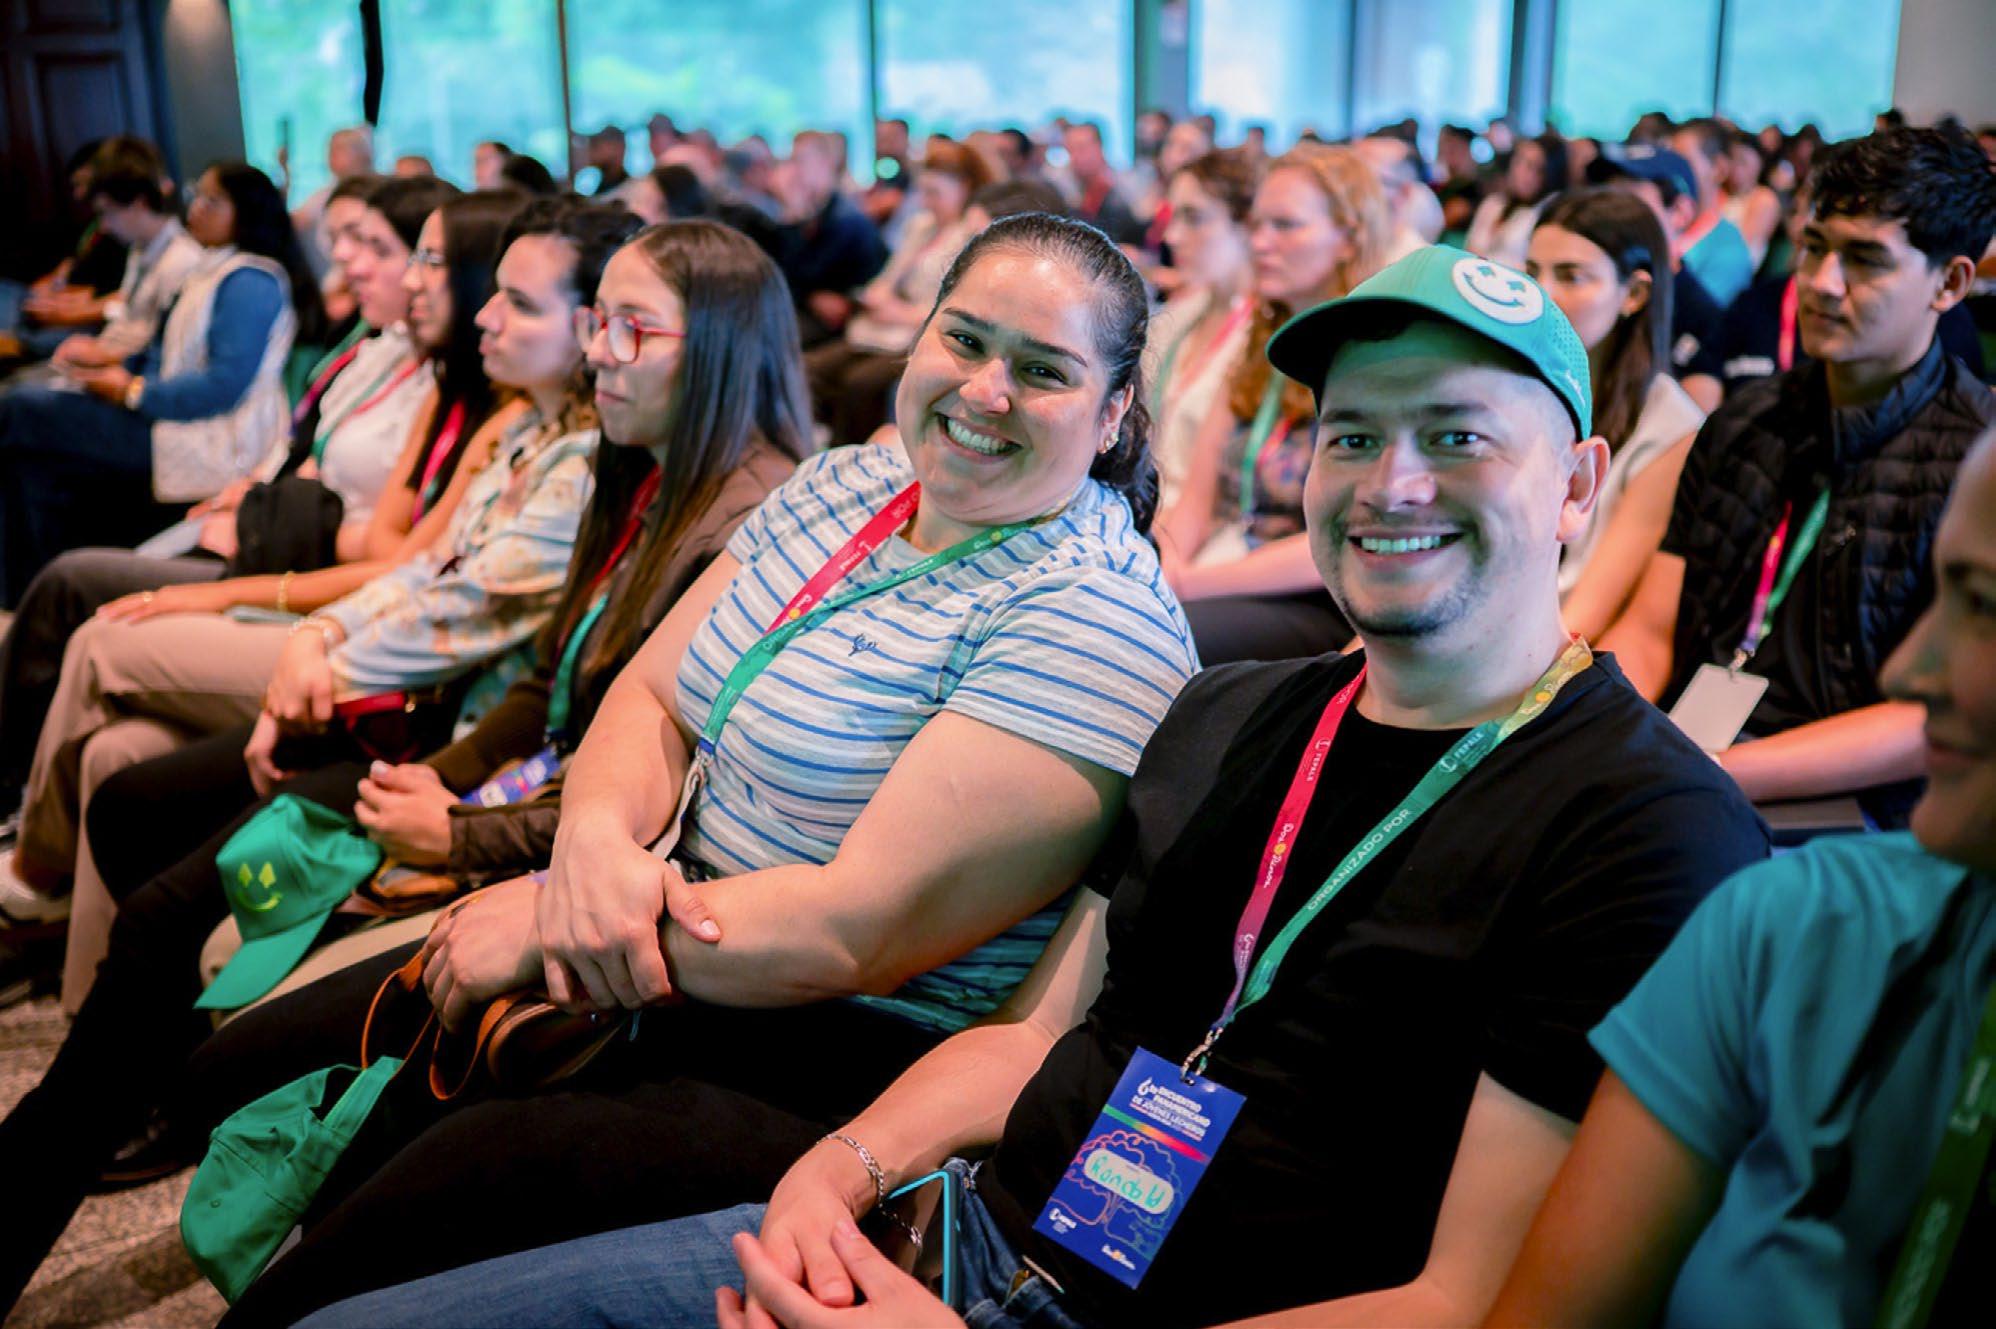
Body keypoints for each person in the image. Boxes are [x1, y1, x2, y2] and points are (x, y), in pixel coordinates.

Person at [295, 242, 1771, 1329]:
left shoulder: (1645, 828)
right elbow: (1042, 1038)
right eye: (1353, 435)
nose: (1391, 483)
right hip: (961, 1239)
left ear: (1578, 487)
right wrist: (841, 1170)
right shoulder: (1237, 714)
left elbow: (1489, 1307)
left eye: (1456, 438)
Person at [180, 213, 1198, 1327]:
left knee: (356, 1261)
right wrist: (590, 851)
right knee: (242, 1076)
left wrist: (564, 923)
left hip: (821, 1043)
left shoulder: (1091, 616)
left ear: (1112, 413)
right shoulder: (850, 483)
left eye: (1043, 371)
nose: (986, 389)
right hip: (654, 923)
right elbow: (652, 694)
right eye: (965, 340)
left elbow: (854, 931)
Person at [0, 198, 629, 1311]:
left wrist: (320, 654)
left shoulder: (581, 459)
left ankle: (64, 1102)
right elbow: (421, 574)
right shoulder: (525, 427)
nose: (483, 315)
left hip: (432, 745)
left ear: (592, 329)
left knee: (139, 809)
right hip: (407, 714)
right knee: (131, 786)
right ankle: (110, 1061)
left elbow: (470, 621)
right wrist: (318, 638)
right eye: (488, 291)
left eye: (516, 301)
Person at [1486, 424, 1996, 1329]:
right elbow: (1649, 630)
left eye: (1983, 603)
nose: (1909, 666)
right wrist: (1626, 759)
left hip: (1790, 785)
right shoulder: (1782, 927)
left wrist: (1695, 773)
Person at [0, 189, 516, 997]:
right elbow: (384, 540)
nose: (382, 271)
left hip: (371, 649)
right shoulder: (433, 377)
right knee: (113, 750)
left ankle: (30, 877)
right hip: (324, 589)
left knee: (98, 630)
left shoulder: (501, 416)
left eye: (414, 256)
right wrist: (294, 520)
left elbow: (402, 566)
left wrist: (262, 566)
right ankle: (81, 994)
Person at [1602, 123, 1996, 819]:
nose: (1820, 283)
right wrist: (1600, 734)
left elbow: (1935, 709)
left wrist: (1710, 774)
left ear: (1950, 282)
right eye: (1815, 248)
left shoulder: (1978, 461)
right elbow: (1653, 627)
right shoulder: (1745, 422)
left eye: (1865, 260)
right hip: (1689, 765)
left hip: (1858, 810)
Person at [0, 161, 327, 605]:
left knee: (21, 409)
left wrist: (132, 390)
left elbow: (222, 387)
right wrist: (112, 372)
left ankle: (27, 591)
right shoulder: (214, 266)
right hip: (169, 411)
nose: (196, 207)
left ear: (246, 211)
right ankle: (28, 590)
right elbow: (163, 350)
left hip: (215, 432)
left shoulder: (250, 279)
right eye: (197, 194)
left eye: (212, 200)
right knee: (29, 459)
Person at [1156, 144, 1389, 664]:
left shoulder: (1375, 362)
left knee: (1158, 639)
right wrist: (1163, 566)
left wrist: (1189, 584)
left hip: (1321, 594)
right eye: (1257, 225)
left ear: (1348, 238)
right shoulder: (1257, 342)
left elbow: (1342, 539)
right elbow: (1195, 500)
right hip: (1224, 570)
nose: (1260, 243)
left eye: (1285, 225)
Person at [1526, 189, 1706, 639]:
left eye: (1571, 276)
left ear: (1635, 294)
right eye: (1531, 273)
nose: (1542, 296)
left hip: (1549, 652)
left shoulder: (1671, 427)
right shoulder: (1511, 387)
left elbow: (1586, 616)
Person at [804, 137, 995, 447]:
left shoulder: (972, 236)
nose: (926, 202)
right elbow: (888, 276)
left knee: (860, 383)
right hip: (885, 326)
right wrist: (877, 296)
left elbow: (961, 309)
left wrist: (900, 313)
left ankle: (857, 453)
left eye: (935, 193)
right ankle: (824, 445)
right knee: (812, 367)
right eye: (924, 192)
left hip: (922, 330)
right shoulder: (922, 226)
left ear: (964, 188)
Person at [28, 137, 204, 377]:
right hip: (109, 355)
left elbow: (163, 354)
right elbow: (126, 314)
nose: (104, 226)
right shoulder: (140, 248)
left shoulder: (181, 261)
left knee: (18, 393)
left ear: (139, 203)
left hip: (127, 375)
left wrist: (98, 354)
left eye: (107, 212)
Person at [1146, 149, 1257, 507]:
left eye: (1194, 218)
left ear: (1247, 225)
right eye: (1173, 217)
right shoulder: (1175, 319)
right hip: (1148, 511)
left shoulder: (1265, 335)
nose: (1173, 236)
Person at [1590, 143, 1731, 410]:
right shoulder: (1593, 291)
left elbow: (1696, 424)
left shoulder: (1702, 317)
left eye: (1629, 202)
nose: (1609, 216)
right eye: (1607, 198)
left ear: (1680, 212)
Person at [772, 131, 888, 348]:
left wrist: (792, 211)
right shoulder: (814, 211)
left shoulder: (846, 218)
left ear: (825, 163)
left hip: (851, 320)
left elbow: (802, 272)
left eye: (800, 160)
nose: (792, 170)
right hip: (813, 311)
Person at [1668, 119, 1758, 309]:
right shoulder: (1671, 225)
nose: (1672, 172)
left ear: (1718, 168)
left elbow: (1702, 318)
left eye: (1684, 162)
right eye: (1670, 162)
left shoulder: (1729, 251)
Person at [1466, 133, 1563, 269]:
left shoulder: (1545, 215)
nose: (1520, 171)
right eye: (1519, 161)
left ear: (1549, 175)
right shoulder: (1493, 203)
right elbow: (1469, 251)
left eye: (1533, 167)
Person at [1357, 134, 1440, 264]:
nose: (1354, 190)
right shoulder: (1346, 251)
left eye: (1369, 180)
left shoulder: (1415, 265)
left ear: (1404, 192)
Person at [1061, 122, 1143, 246]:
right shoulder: (1066, 189)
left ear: (1100, 147)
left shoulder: (1127, 184)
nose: (1075, 156)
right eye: (1070, 150)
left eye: (1081, 148)